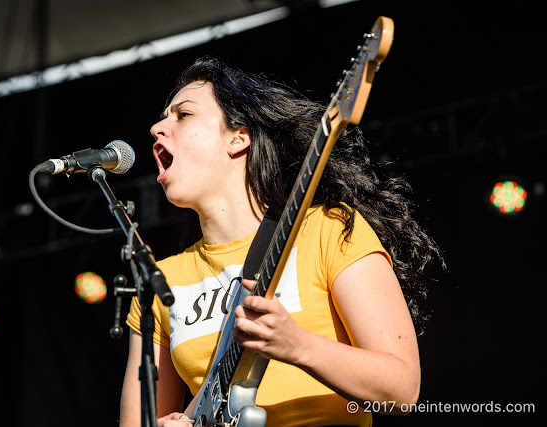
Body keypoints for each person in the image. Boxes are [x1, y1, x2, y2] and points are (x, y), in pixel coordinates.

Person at [119, 56, 444, 426]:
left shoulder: (327, 229)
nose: (157, 127)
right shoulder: (161, 281)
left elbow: (402, 389)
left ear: (238, 138)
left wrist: (298, 346)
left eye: (183, 115)